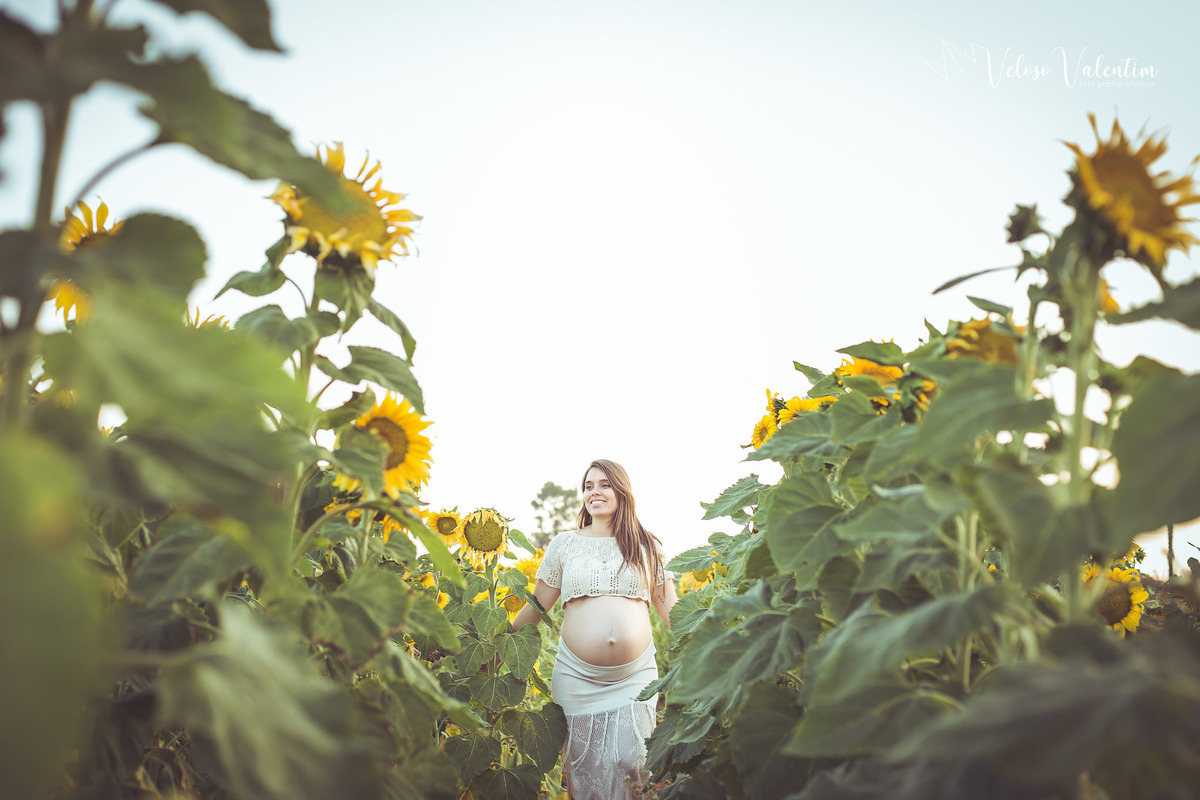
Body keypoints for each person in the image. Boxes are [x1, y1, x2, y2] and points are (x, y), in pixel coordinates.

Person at [511, 459, 677, 800]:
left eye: (604, 484)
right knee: (583, 771)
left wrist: (711, 646)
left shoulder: (648, 546)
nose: (594, 492)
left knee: (634, 764)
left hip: (635, 677)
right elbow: (537, 605)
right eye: (588, 486)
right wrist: (500, 644)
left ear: (622, 491)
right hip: (576, 677)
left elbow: (673, 611)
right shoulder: (564, 544)